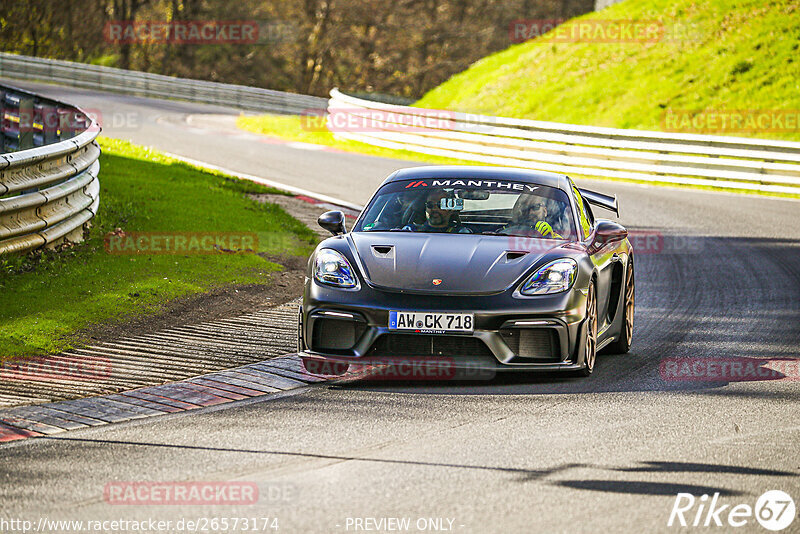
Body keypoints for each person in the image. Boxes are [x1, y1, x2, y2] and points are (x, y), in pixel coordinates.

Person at [405, 190, 472, 233]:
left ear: (451, 209)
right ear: (425, 208)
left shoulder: (462, 234)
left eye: (441, 204)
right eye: (430, 205)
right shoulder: (410, 231)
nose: (434, 209)